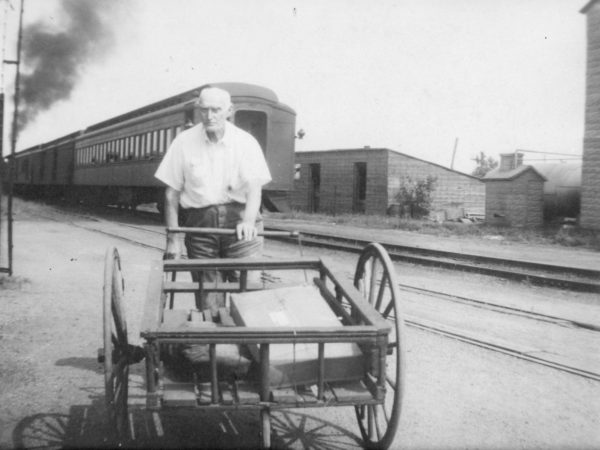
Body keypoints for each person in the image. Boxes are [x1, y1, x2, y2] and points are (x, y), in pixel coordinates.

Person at [154, 86, 271, 313]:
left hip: (240, 226)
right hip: (200, 226)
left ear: (229, 111)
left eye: (216, 110)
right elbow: (171, 193)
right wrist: (174, 237)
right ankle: (210, 346)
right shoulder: (184, 142)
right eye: (204, 110)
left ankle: (250, 346)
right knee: (209, 298)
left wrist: (248, 221)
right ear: (199, 110)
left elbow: (255, 189)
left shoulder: (245, 142)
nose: (210, 116)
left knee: (249, 295)